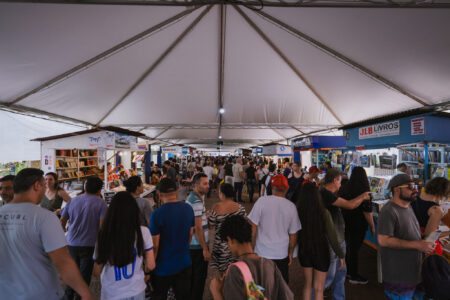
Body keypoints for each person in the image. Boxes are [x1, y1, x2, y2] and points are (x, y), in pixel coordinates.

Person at [0, 168, 93, 300]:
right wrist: (86, 293)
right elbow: (64, 263)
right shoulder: (45, 218)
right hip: (41, 293)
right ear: (37, 186)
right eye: (44, 185)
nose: (45, 190)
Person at [378, 173, 435, 299]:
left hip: (414, 274)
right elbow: (383, 240)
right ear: (397, 189)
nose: (416, 189)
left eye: (416, 186)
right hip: (399, 277)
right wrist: (417, 245)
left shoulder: (408, 207)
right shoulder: (389, 211)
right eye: (410, 186)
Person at [209, 215, 294, 300]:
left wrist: (216, 291)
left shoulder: (235, 271)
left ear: (230, 240)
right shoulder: (270, 264)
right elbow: (288, 296)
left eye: (227, 243)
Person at [94, 191, 155, 300]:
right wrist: (146, 273)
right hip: (136, 290)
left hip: (112, 292)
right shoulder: (143, 232)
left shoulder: (103, 234)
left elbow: (96, 272)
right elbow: (151, 265)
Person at [320, 168, 370, 300]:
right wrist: (363, 196)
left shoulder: (324, 191)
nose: (341, 185)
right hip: (332, 239)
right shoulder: (326, 194)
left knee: (340, 272)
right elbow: (350, 205)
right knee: (329, 276)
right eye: (340, 181)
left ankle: (338, 297)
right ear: (335, 179)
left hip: (337, 237)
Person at [248, 174, 302, 283]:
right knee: (281, 287)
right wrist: (290, 253)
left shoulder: (261, 201)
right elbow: (293, 235)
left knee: (261, 286)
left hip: (261, 252)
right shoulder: (291, 207)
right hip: (281, 254)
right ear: (287, 188)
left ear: (272, 188)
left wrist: (250, 249)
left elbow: (252, 229)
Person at [295, 183, 345, 300]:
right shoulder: (324, 212)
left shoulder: (297, 211)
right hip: (321, 251)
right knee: (319, 288)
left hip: (304, 249)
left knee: (307, 285)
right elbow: (332, 236)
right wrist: (340, 255)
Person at [61, 176, 108, 300]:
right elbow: (102, 227)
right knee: (84, 275)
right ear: (99, 190)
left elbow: (62, 221)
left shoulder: (73, 201)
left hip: (71, 242)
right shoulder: (101, 203)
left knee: (72, 272)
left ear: (85, 187)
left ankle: (68, 295)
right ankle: (79, 296)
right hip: (89, 244)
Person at [149, 178, 195, 300]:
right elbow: (190, 235)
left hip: (163, 267)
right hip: (184, 262)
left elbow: (155, 245)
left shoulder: (157, 214)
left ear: (159, 194)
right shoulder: (188, 208)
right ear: (177, 190)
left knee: (160, 296)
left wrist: (149, 268)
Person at [339, 167, 375, 285]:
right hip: (358, 224)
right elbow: (367, 211)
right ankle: (353, 275)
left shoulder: (344, 187)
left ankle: (347, 271)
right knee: (354, 249)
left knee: (348, 247)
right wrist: (372, 226)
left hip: (345, 222)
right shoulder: (364, 192)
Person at [208, 183, 246, 275]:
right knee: (234, 272)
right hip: (236, 245)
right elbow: (244, 226)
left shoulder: (216, 207)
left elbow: (211, 225)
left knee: (222, 273)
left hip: (220, 246)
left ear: (223, 194)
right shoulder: (240, 208)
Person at [186, 173, 210, 300]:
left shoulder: (197, 197)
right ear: (196, 185)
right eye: (204, 183)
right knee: (198, 280)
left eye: (208, 183)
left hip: (195, 246)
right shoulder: (195, 200)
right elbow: (198, 227)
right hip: (197, 247)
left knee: (195, 279)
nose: (208, 186)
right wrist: (205, 248)